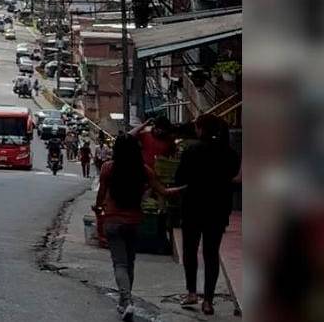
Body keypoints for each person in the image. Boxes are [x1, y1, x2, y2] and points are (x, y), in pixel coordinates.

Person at [93, 135, 181, 321]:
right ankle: (125, 301)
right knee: (129, 262)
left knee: (119, 263)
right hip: (133, 222)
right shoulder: (144, 170)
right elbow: (164, 192)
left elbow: (100, 196)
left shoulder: (108, 168)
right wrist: (185, 188)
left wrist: (98, 207)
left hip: (112, 221)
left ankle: (126, 300)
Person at [173, 115, 240, 315]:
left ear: (201, 129)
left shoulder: (191, 151)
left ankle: (192, 292)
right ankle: (208, 301)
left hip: (193, 208)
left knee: (190, 251)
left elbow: (179, 177)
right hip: (217, 210)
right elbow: (232, 175)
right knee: (211, 254)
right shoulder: (229, 153)